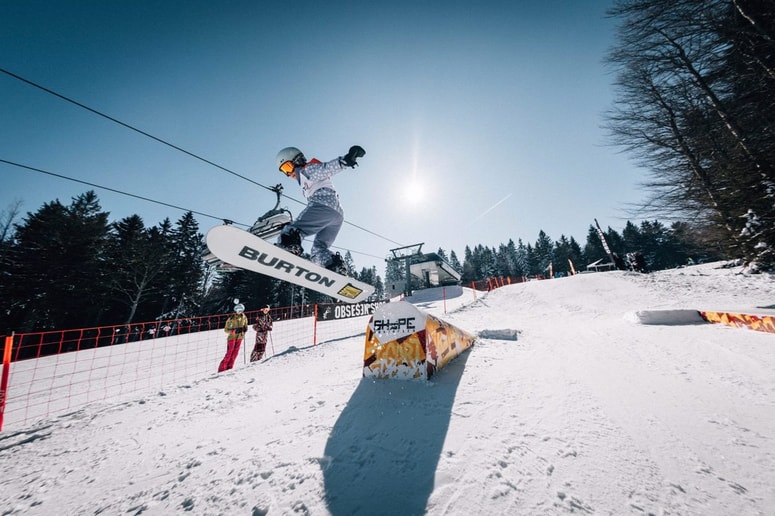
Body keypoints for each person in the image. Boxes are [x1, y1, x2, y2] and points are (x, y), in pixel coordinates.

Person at [275, 145, 365, 274]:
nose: (289, 174)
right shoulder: (305, 181)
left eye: (287, 167)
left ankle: (288, 245)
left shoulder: (307, 170)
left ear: (297, 160)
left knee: (291, 231)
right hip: (337, 215)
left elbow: (325, 169)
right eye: (285, 171)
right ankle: (333, 265)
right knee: (318, 249)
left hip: (323, 205)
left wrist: (345, 161)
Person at [218, 303, 248, 372]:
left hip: (240, 337)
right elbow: (226, 330)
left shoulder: (244, 317)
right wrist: (232, 331)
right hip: (232, 338)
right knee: (229, 353)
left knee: (235, 353)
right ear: (235, 310)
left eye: (241, 310)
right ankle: (222, 369)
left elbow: (245, 325)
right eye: (238, 310)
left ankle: (229, 368)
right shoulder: (231, 319)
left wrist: (245, 329)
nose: (239, 311)